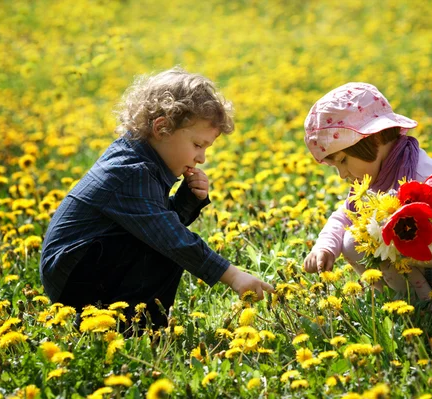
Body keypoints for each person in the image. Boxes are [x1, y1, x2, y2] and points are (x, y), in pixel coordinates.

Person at [40, 67, 274, 328]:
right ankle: (136, 329)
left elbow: (155, 222)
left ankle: (136, 325)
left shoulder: (140, 159)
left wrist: (187, 200)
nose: (202, 158)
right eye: (198, 145)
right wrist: (233, 276)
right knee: (168, 248)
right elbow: (169, 236)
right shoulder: (131, 172)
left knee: (162, 244)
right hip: (76, 277)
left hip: (81, 267)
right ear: (162, 129)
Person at [302, 82, 432, 302]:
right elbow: (346, 215)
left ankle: (424, 309)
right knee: (353, 241)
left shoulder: (425, 179)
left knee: (380, 244)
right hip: (431, 261)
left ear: (373, 137)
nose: (341, 175)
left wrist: (400, 247)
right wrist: (326, 246)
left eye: (343, 161)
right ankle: (398, 300)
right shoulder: (376, 175)